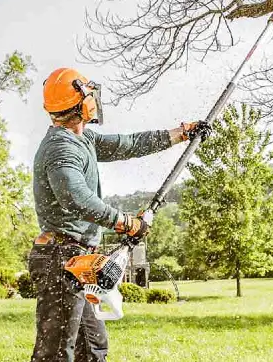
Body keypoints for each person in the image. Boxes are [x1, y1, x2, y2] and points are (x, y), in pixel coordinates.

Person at [29, 67, 209, 362]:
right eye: (89, 95)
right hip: (59, 259)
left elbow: (128, 144)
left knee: (93, 345)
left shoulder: (83, 139)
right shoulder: (60, 147)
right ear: (79, 103)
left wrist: (181, 133)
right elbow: (77, 198)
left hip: (79, 258)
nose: (94, 100)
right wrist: (126, 222)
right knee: (56, 353)